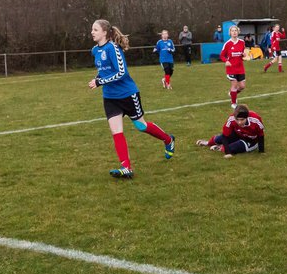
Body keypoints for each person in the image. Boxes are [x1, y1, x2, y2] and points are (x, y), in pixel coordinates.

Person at [88, 19, 175, 179]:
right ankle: (126, 167)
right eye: (92, 29)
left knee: (141, 126)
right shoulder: (95, 50)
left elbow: (121, 72)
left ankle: (168, 139)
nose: (92, 32)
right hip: (110, 98)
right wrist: (97, 79)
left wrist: (99, 81)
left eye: (95, 29)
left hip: (128, 94)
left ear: (105, 32)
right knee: (116, 131)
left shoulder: (113, 48)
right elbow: (103, 70)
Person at [194, 104, 265, 158]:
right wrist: (227, 153)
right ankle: (208, 143)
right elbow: (225, 136)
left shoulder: (256, 119)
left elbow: (261, 135)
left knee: (233, 148)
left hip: (250, 141)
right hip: (238, 135)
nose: (239, 122)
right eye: (237, 119)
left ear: (247, 117)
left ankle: (220, 147)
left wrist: (261, 151)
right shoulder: (231, 118)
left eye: (242, 120)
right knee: (219, 138)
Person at [220, 24, 247, 106]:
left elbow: (242, 54)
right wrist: (226, 61)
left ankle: (232, 94)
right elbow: (222, 55)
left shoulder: (242, 42)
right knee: (234, 85)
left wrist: (244, 55)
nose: (234, 32)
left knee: (242, 86)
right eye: (232, 31)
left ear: (238, 32)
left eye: (236, 30)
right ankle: (233, 103)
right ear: (230, 33)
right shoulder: (227, 44)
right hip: (231, 68)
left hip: (240, 68)